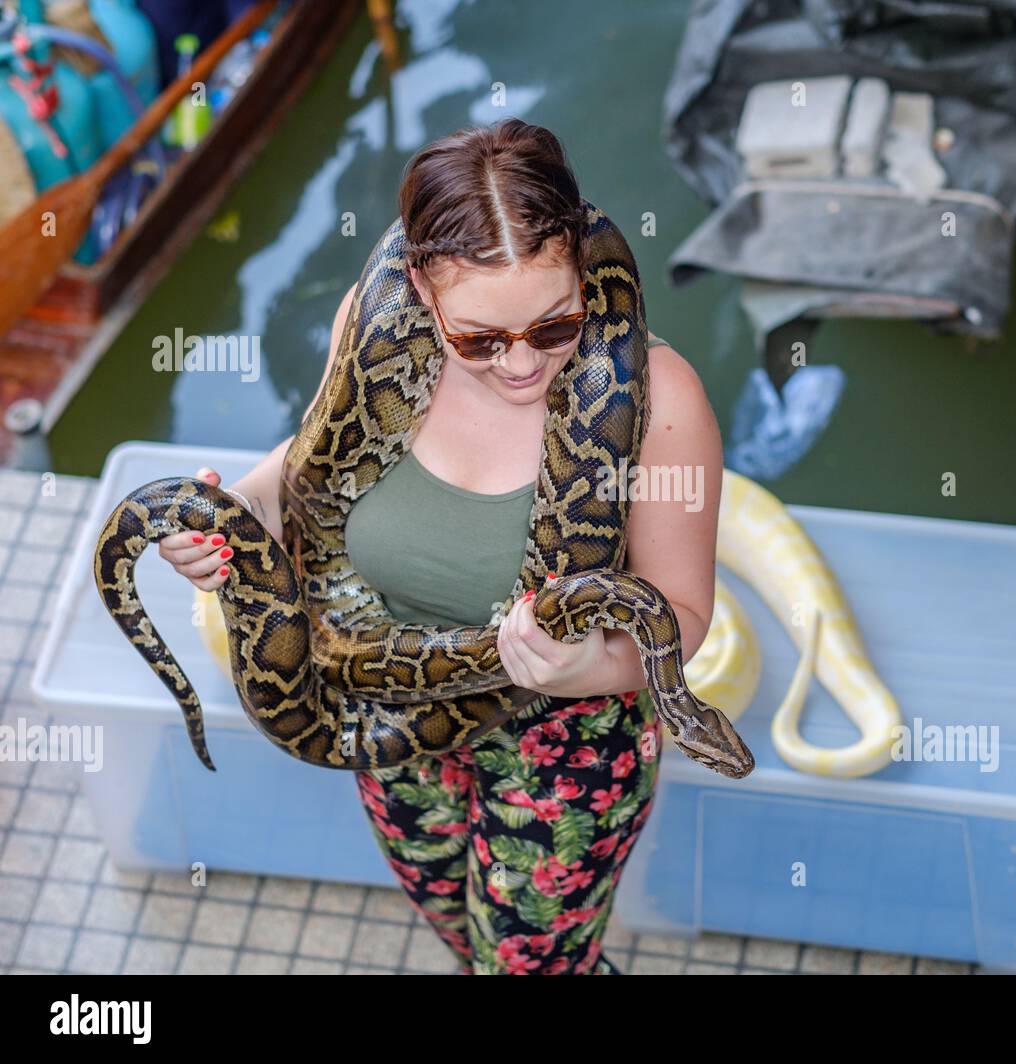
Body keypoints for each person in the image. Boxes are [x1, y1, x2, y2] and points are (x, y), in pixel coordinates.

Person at [157, 117, 723, 975]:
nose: (524, 364)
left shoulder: (659, 397)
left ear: (583, 267)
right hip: (385, 709)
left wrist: (592, 670)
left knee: (531, 966)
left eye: (556, 325)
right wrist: (242, 506)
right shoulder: (373, 323)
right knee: (462, 934)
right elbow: (312, 462)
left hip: (562, 744)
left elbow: (678, 615)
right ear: (422, 286)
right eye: (480, 340)